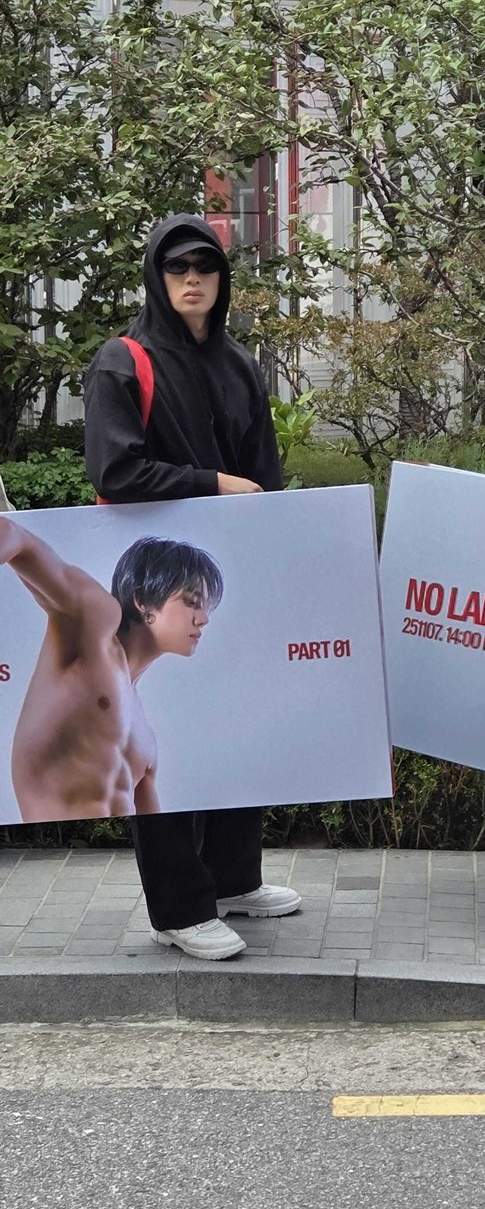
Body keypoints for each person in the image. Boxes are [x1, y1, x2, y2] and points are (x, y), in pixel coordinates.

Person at [84, 213, 301, 961]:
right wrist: (213, 484)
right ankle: (178, 910)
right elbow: (115, 470)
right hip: (155, 584)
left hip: (227, 572)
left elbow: (263, 474)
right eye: (177, 268)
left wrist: (275, 544)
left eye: (204, 268)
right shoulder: (123, 362)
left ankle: (233, 879)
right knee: (167, 742)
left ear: (222, 279)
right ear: (157, 276)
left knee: (236, 720)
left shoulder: (238, 363)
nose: (192, 280)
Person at [4, 525, 222, 822]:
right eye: (191, 602)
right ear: (143, 601)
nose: (204, 618)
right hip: (55, 844)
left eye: (206, 606)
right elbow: (12, 533)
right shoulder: (92, 625)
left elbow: (154, 831)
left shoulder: (145, 736)